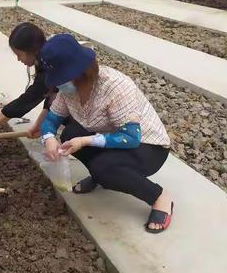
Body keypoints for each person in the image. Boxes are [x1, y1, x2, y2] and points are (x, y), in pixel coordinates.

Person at [40, 35, 174, 234]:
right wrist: (49, 138)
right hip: (111, 137)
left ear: (80, 72)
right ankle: (100, 176)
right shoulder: (68, 90)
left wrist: (85, 140)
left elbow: (130, 137)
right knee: (70, 134)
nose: (59, 86)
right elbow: (52, 120)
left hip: (147, 146)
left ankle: (159, 197)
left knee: (102, 166)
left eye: (62, 79)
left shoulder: (115, 86)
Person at [0, 22, 53, 149]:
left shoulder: (49, 67)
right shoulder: (45, 58)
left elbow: (27, 100)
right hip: (68, 102)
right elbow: (50, 96)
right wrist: (38, 125)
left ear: (32, 50)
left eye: (19, 55)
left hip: (83, 108)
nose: (18, 59)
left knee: (68, 129)